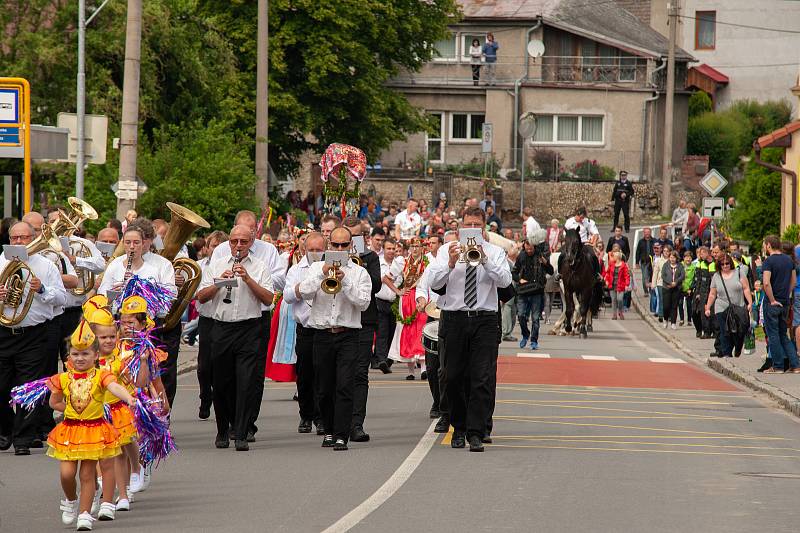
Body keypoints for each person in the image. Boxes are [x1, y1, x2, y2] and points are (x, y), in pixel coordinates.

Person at [427, 206, 512, 452]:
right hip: (454, 318)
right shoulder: (446, 250)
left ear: (483, 227)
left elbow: (505, 282)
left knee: (481, 378)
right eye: (468, 225)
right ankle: (459, 426)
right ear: (461, 226)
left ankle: (475, 432)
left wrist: (484, 260)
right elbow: (433, 282)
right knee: (451, 376)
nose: (472, 229)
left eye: (477, 224)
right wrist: (451, 264)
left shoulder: (495, 252)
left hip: (484, 318)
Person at [44, 324, 136, 530]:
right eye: (75, 354)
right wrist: (70, 409)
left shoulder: (101, 375)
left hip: (94, 431)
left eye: (85, 353)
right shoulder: (63, 378)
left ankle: (85, 514)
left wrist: (128, 397)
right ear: (68, 356)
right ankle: (70, 500)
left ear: (95, 355)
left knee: (87, 474)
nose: (79, 358)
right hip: (70, 430)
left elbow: (114, 387)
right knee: (67, 474)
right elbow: (54, 402)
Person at [196, 224, 275, 451]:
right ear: (228, 242)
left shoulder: (260, 267)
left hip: (249, 329)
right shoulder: (216, 265)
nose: (238, 246)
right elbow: (201, 298)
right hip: (221, 328)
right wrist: (220, 282)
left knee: (246, 382)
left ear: (251, 242)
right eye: (234, 241)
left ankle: (240, 433)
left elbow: (268, 299)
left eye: (243, 242)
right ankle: (222, 429)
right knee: (221, 383)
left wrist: (248, 279)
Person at [297, 227, 371, 451]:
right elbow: (304, 292)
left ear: (351, 246)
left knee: (345, 386)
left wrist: (345, 281)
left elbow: (364, 303)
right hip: (321, 333)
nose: (339, 249)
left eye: (344, 245)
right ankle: (328, 430)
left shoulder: (359, 273)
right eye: (335, 245)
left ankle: (341, 434)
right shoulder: (316, 267)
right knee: (324, 387)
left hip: (348, 334)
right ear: (329, 245)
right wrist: (323, 274)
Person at [0, 221, 67, 456]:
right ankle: (5, 430)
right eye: (15, 238)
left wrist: (42, 290)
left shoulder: (46, 266)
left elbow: (62, 298)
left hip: (33, 333)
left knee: (29, 387)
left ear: (33, 238)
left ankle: (23, 438)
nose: (19, 242)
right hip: (3, 333)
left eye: (25, 238)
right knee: (2, 386)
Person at [342, 217, 382, 443]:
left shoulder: (371, 257)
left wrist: (359, 266)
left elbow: (375, 286)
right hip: (340, 319)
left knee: (359, 373)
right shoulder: (334, 257)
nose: (351, 241)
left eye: (356, 236)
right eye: (348, 236)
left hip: (364, 320)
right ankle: (335, 421)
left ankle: (356, 424)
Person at [283, 232, 325, 434]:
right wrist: (303, 287)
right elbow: (288, 296)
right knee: (305, 374)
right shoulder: (296, 270)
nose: (316, 254)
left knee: (323, 374)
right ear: (304, 250)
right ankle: (306, 415)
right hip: (306, 329)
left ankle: (321, 416)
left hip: (325, 329)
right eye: (312, 250)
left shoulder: (331, 268)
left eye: (319, 250)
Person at [195, 230, 227, 420]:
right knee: (204, 366)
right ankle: (205, 395)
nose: (216, 249)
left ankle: (220, 401)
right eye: (213, 246)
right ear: (207, 248)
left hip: (222, 319)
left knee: (221, 364)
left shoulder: (228, 266)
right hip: (206, 318)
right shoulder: (198, 266)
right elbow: (195, 293)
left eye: (219, 246)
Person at [386, 238, 429, 380]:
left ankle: (423, 368)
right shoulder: (402, 262)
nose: (415, 249)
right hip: (407, 298)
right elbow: (386, 278)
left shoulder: (427, 262)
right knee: (407, 330)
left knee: (421, 329)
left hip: (421, 297)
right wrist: (397, 292)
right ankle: (410, 370)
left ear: (422, 248)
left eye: (418, 246)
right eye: (412, 246)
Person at [761, 235, 800, 373]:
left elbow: (766, 282)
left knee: (773, 334)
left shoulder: (768, 261)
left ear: (769, 245)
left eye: (765, 245)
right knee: (783, 334)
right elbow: (794, 282)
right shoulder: (789, 260)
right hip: (785, 301)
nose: (764, 247)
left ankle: (777, 366)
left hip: (772, 302)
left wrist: (772, 299)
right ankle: (796, 365)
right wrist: (785, 294)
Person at [705, 253, 752, 359]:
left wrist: (750, 303)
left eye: (727, 263)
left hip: (738, 307)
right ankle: (727, 353)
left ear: (730, 263)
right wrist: (708, 307)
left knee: (739, 331)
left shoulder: (739, 272)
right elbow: (712, 294)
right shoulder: (717, 276)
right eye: (722, 264)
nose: (725, 266)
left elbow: (746, 288)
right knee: (725, 331)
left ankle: (738, 347)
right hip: (722, 307)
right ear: (719, 265)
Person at [513, 240, 552, 350]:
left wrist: (545, 263)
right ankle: (525, 335)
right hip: (523, 291)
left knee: (535, 318)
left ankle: (534, 340)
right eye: (527, 249)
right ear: (524, 246)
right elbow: (514, 272)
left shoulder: (540, 256)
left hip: (537, 292)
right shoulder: (521, 256)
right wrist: (519, 279)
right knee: (520, 316)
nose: (529, 251)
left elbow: (551, 271)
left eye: (531, 249)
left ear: (534, 247)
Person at [374, 239, 398, 374]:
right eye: (388, 248)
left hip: (394, 302)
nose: (391, 251)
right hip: (381, 300)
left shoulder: (399, 263)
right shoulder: (378, 262)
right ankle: (381, 359)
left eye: (393, 249)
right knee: (382, 332)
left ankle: (388, 359)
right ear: (384, 249)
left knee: (392, 332)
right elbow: (382, 278)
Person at [661, 251, 685, 330]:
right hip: (667, 287)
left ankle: (673, 323)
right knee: (666, 306)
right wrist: (670, 282)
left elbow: (682, 275)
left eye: (674, 257)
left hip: (676, 288)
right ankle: (665, 319)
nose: (672, 259)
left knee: (674, 306)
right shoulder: (666, 265)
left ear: (676, 258)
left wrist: (676, 282)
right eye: (671, 257)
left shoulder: (680, 266)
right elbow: (663, 275)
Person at [603, 251, 630, 320]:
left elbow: (626, 275)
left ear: (617, 257)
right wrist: (606, 280)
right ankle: (614, 314)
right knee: (614, 300)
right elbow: (608, 273)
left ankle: (620, 311)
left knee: (620, 299)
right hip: (612, 285)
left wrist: (627, 284)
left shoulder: (624, 265)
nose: (612, 258)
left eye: (613, 256)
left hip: (620, 285)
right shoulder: (611, 264)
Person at [679, 251, 696, 326]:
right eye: (686, 257)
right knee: (680, 304)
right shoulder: (680, 266)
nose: (688, 259)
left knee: (689, 305)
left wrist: (691, 288)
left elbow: (694, 279)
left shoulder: (693, 267)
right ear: (683, 258)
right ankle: (682, 319)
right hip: (681, 288)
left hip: (689, 289)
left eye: (690, 257)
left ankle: (689, 320)